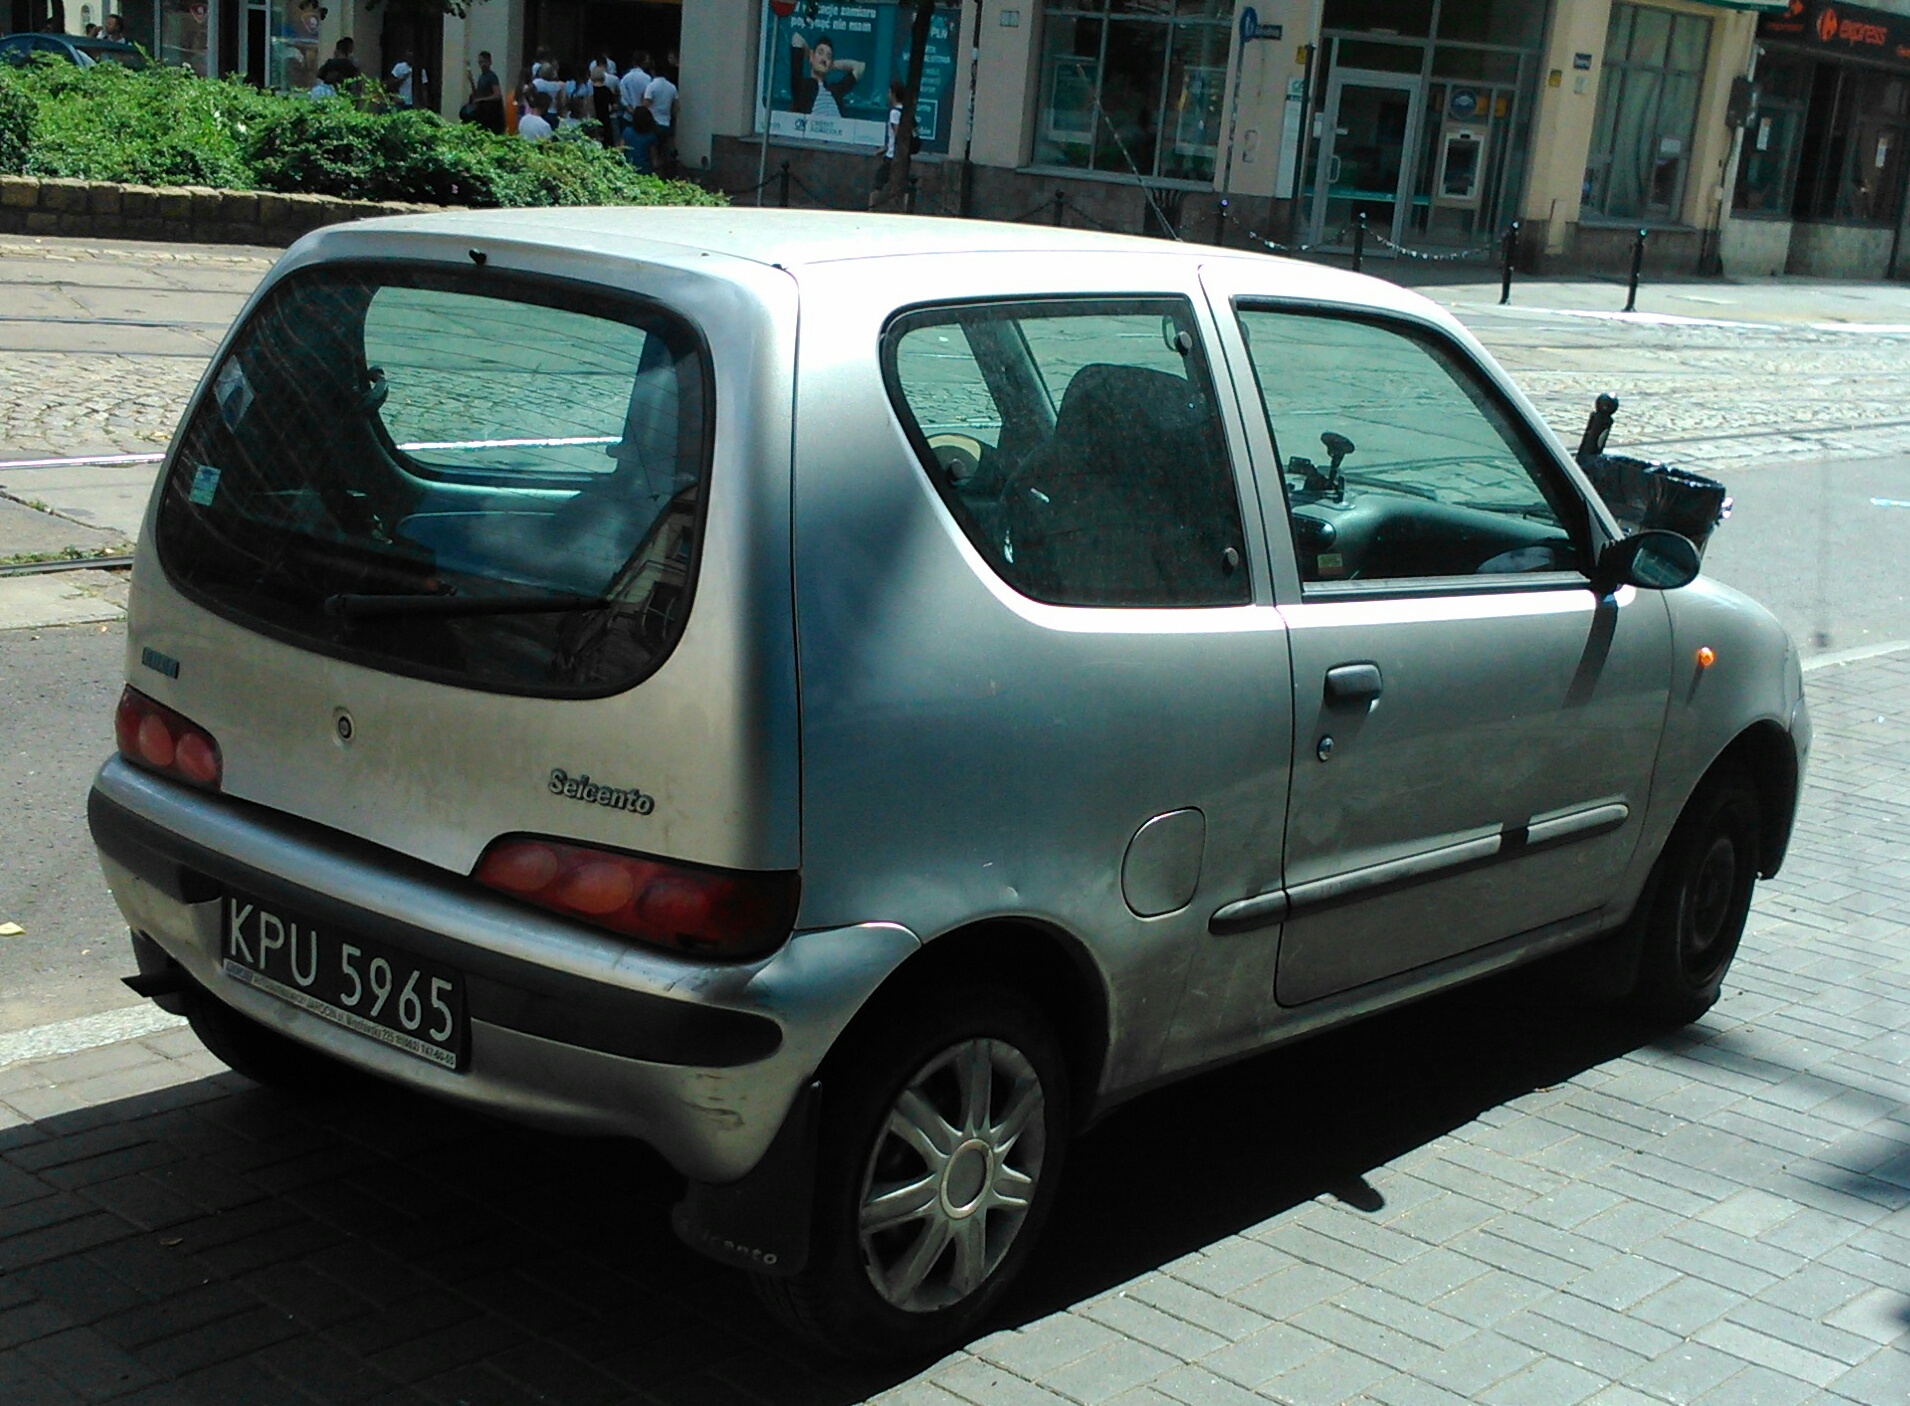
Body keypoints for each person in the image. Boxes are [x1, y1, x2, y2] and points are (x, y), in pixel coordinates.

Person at [788, 32, 863, 118]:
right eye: (820, 53)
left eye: (828, 56)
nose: (824, 59)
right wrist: (810, 57)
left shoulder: (835, 90)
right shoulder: (802, 87)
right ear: (812, 56)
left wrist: (832, 65)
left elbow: (860, 67)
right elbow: (797, 39)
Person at [869, 80, 904, 209]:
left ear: (893, 94)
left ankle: (871, 209)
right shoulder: (905, 111)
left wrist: (889, 150)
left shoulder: (895, 113)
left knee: (878, 183)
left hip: (892, 157)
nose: (887, 95)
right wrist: (883, 149)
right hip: (898, 155)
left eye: (889, 92)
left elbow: (898, 135)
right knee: (900, 184)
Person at [642, 61, 678, 174]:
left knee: (651, 153)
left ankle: (652, 174)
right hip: (665, 124)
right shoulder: (672, 87)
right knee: (663, 152)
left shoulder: (651, 86)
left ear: (653, 71)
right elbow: (676, 107)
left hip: (652, 124)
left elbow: (645, 105)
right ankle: (662, 175)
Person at [617, 51, 653, 139]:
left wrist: (630, 110)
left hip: (628, 116)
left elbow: (622, 97)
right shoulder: (647, 79)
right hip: (644, 117)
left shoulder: (625, 78)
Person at [468, 50, 504, 133]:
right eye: (480, 62)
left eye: (484, 62)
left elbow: (497, 95)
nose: (482, 65)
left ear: (489, 62)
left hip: (490, 112)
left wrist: (483, 99)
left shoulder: (492, 76)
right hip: (482, 112)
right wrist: (471, 81)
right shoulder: (481, 77)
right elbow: (477, 94)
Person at [621, 107, 658, 175]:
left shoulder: (627, 132)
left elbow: (620, 151)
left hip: (629, 168)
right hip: (645, 170)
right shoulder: (651, 136)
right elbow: (653, 158)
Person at [589, 61, 617, 145]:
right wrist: (609, 111)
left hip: (593, 118)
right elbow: (615, 105)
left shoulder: (590, 91)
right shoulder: (607, 90)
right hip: (605, 118)